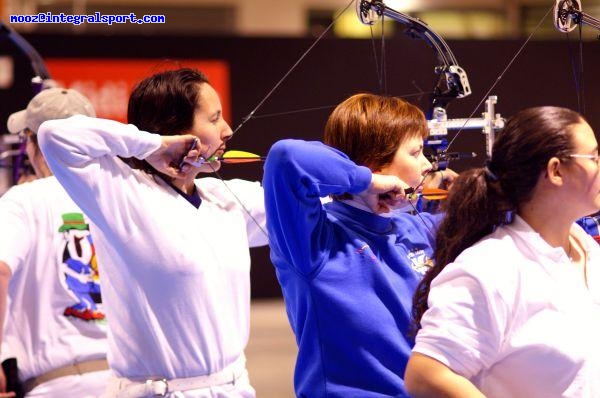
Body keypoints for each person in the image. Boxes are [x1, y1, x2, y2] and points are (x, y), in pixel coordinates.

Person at [38, 68, 268, 397]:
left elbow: (320, 205)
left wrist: (360, 182)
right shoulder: (121, 194)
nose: (227, 130)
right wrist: (153, 146)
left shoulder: (227, 200)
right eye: (214, 118)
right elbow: (53, 135)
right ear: (176, 129)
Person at [263, 93, 452, 397]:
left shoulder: (417, 226)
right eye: (415, 153)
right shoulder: (315, 243)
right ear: (375, 161)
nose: (427, 165)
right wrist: (369, 182)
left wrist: (469, 190)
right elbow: (286, 158)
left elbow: (506, 208)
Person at [405, 106, 600, 397]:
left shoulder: (583, 246)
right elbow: (426, 374)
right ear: (556, 170)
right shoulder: (493, 268)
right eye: (594, 157)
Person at [0, 87, 110, 397]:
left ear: (39, 144)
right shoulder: (120, 198)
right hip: (130, 381)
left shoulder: (23, 200)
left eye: (27, 139)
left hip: (59, 384)